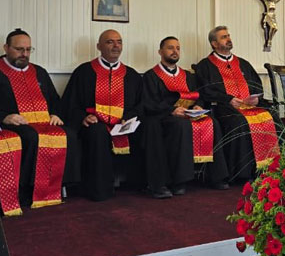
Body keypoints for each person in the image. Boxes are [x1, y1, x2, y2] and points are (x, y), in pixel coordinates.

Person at [0, 28, 80, 212]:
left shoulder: (39, 72)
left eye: (28, 49)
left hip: (43, 121)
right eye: (19, 49)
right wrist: (4, 116)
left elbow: (55, 100)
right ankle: (27, 191)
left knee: (69, 134)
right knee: (30, 137)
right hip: (13, 123)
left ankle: (57, 187)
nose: (24, 54)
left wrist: (55, 114)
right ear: (6, 47)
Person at [142, 36, 230, 198]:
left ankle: (216, 176)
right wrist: (172, 110)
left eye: (177, 48)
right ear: (160, 52)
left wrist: (198, 106)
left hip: (189, 114)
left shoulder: (188, 76)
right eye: (170, 48)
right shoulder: (151, 76)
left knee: (212, 122)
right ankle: (179, 181)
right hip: (165, 117)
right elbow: (149, 103)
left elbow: (199, 95)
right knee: (180, 125)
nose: (175, 51)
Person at [62, 29, 144, 201]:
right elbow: (71, 104)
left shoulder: (132, 75)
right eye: (110, 42)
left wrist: (129, 117)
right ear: (99, 46)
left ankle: (144, 184)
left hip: (123, 124)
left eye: (119, 42)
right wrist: (83, 117)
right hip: (95, 123)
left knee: (150, 129)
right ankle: (100, 190)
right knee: (97, 132)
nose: (116, 46)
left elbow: (140, 104)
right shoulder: (84, 72)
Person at [194, 26, 279, 183]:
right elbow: (205, 91)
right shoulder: (205, 66)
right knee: (239, 123)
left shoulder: (243, 63)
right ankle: (243, 173)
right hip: (224, 108)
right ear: (214, 44)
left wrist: (256, 99)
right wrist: (228, 99)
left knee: (272, 117)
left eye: (228, 35)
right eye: (223, 37)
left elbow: (256, 85)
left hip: (250, 106)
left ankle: (271, 168)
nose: (228, 39)